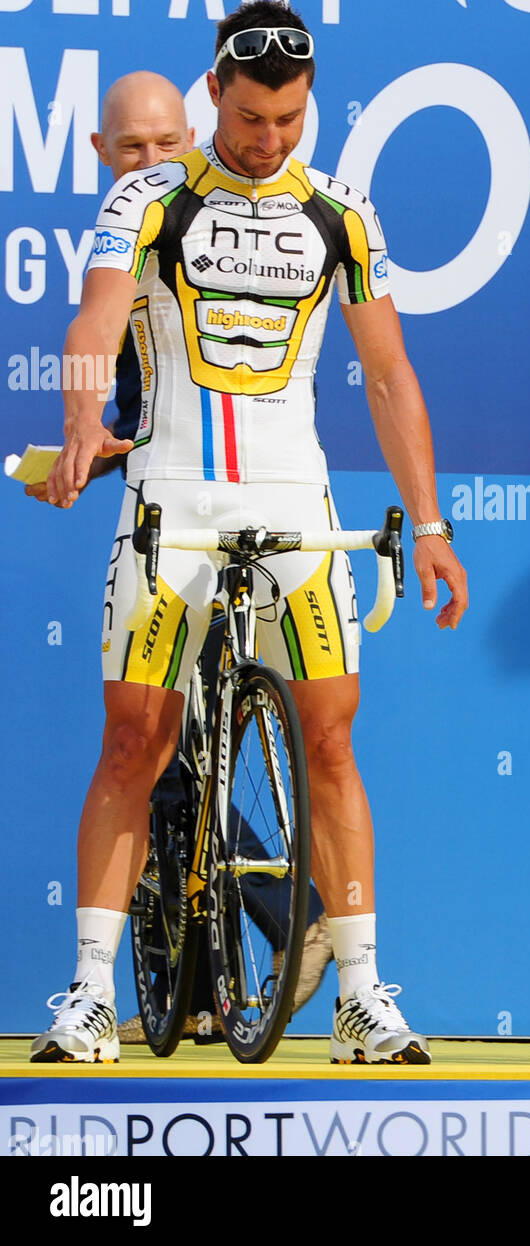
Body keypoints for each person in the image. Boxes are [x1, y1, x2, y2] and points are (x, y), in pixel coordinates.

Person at [31, 0, 466, 1066]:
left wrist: (435, 522)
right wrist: (85, 418)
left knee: (328, 738)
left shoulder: (340, 211)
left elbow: (391, 372)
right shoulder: (151, 195)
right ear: (213, 92)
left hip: (294, 502)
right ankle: (88, 991)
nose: (270, 138)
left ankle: (361, 993)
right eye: (251, 114)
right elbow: (94, 319)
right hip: (174, 499)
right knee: (135, 742)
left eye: (290, 117)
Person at [26, 72, 335, 1040]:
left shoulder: (211, 219)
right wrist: (82, 431)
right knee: (156, 747)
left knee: (209, 733)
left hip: (247, 507)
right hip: (160, 506)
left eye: (169, 142)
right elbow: (89, 347)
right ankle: (173, 984)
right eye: (133, 148)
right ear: (98, 152)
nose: (154, 160)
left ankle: (292, 919)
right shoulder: (124, 232)